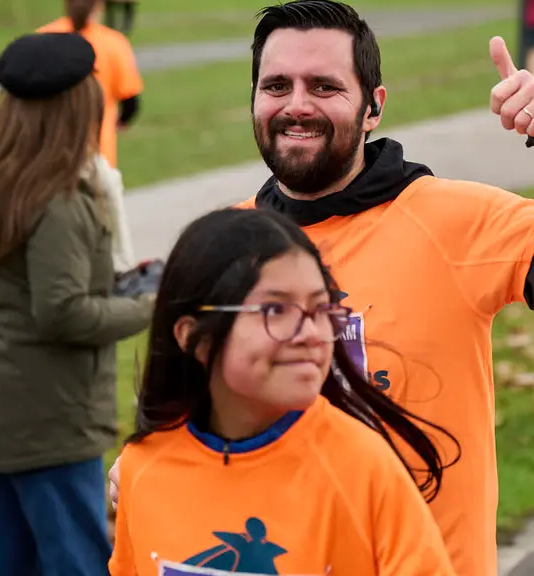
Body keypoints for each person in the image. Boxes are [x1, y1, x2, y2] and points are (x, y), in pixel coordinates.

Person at [115, 0, 534, 576]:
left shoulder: (451, 221)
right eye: (276, 86)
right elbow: (188, 400)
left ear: (373, 108)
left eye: (324, 86)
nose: (296, 105)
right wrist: (151, 462)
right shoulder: (225, 244)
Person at [109, 208, 457, 575]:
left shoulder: (362, 468)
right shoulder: (142, 468)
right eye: (276, 309)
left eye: (321, 308)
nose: (310, 333)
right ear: (194, 336)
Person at [0, 32, 155, 576]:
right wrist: (156, 304)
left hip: (1, 411)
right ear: (78, 110)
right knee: (78, 562)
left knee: (10, 560)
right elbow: (63, 312)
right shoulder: (59, 202)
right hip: (50, 423)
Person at [38, 0, 144, 272]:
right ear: (99, 3)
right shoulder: (113, 43)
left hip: (47, 156)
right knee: (101, 244)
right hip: (97, 156)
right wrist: (120, 123)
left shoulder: (44, 38)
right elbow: (132, 101)